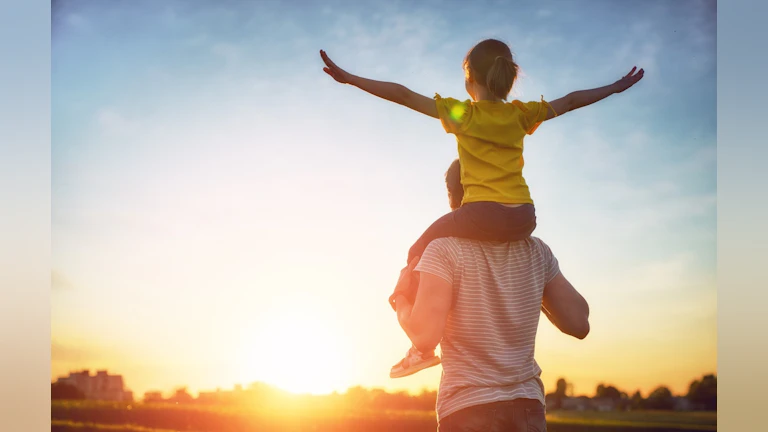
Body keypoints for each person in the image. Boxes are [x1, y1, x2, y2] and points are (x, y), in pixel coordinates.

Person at [319, 38, 641, 376]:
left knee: (418, 248)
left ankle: (420, 348)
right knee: (458, 239)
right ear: (507, 77)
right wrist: (616, 87)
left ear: (470, 79)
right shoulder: (522, 113)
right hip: (523, 217)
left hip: (482, 213)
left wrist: (352, 79)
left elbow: (403, 94)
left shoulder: (465, 114)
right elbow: (573, 100)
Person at [392, 158, 590, 431]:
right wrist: (534, 286)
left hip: (468, 409)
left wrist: (400, 299)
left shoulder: (443, 250)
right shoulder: (536, 251)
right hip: (528, 409)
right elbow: (579, 322)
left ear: (453, 196)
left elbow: (425, 338)